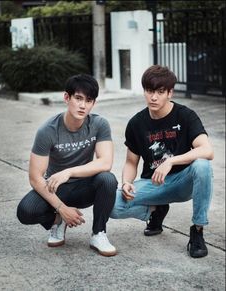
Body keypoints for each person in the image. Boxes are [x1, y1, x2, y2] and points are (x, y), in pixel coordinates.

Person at [110, 65, 214, 258]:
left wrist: (171, 161)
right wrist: (126, 182)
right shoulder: (136, 123)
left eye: (160, 92)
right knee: (111, 205)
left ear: (170, 92)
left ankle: (198, 230)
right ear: (144, 92)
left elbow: (207, 150)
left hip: (184, 182)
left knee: (202, 165)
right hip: (154, 184)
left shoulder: (185, 115)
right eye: (150, 91)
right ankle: (155, 211)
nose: (154, 97)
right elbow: (131, 162)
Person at [17, 74, 118, 257]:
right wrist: (61, 209)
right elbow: (35, 177)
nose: (83, 105)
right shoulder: (47, 131)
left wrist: (69, 172)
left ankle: (99, 234)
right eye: (78, 98)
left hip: (85, 187)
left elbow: (105, 162)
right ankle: (57, 221)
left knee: (108, 179)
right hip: (57, 188)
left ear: (93, 103)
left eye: (88, 100)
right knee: (26, 211)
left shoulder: (99, 124)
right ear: (66, 98)